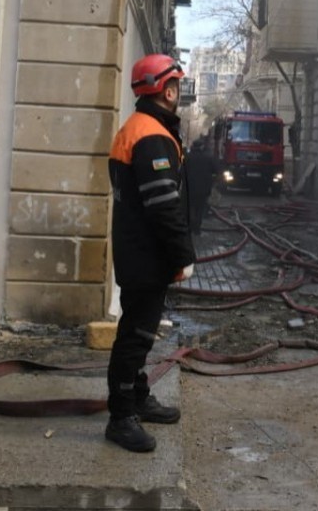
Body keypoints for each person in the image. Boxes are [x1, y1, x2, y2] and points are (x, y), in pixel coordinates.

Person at [106, 54, 196, 452]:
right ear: (166, 90)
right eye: (176, 85)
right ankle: (121, 417)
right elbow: (163, 205)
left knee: (138, 331)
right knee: (136, 335)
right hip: (147, 255)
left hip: (136, 250)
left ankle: (138, 396)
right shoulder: (152, 136)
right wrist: (182, 254)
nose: (179, 92)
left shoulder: (139, 127)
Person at [185, 137, 216, 235]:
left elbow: (182, 171)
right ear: (202, 147)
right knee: (200, 208)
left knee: (191, 207)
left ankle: (190, 226)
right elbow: (215, 170)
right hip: (204, 188)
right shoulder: (208, 157)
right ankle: (197, 229)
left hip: (190, 187)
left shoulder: (188, 157)